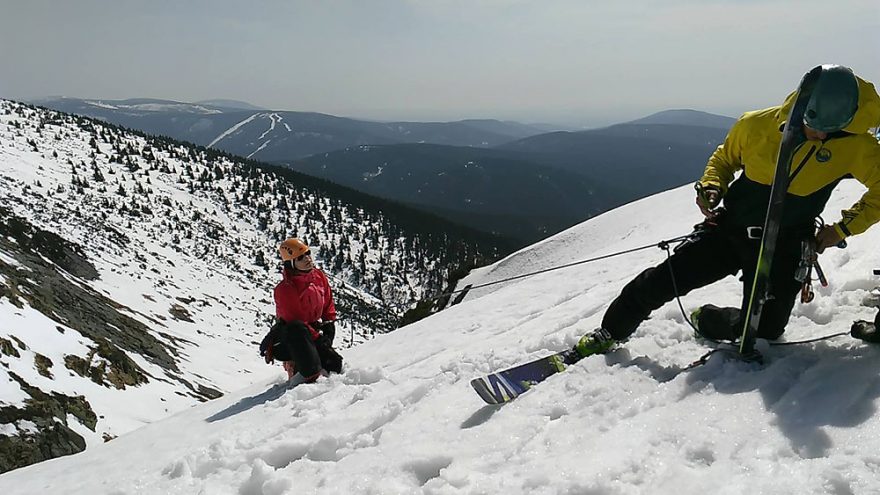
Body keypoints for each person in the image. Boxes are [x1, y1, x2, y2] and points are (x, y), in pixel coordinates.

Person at [575, 64, 880, 357]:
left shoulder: (856, 145)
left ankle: (709, 319)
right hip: (732, 230)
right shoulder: (757, 125)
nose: (821, 135)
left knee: (765, 331)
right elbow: (724, 159)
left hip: (787, 244)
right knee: (662, 282)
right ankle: (610, 332)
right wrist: (712, 186)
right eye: (815, 127)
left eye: (832, 130)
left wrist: (841, 229)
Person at [259, 238, 343, 382]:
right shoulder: (285, 289)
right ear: (291, 263)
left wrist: (329, 323)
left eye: (308, 253)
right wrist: (320, 340)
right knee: (299, 333)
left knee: (334, 365)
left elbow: (328, 302)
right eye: (300, 258)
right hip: (292, 337)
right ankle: (305, 375)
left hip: (310, 331)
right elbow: (295, 321)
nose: (307, 259)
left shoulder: (318, 277)